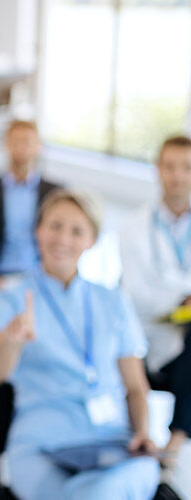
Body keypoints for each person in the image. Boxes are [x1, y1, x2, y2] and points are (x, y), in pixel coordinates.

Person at [0, 189, 160, 500]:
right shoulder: (11, 298)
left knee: (108, 490)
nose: (63, 239)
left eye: (77, 231)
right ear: (38, 230)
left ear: (92, 240)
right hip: (41, 445)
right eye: (54, 226)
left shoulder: (113, 301)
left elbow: (135, 387)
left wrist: (143, 432)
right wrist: (12, 339)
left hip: (112, 441)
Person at [120, 135, 191, 474]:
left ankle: (173, 444)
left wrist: (172, 292)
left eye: (187, 168)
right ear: (158, 171)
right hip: (145, 333)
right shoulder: (133, 226)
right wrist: (182, 297)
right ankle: (143, 436)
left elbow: (155, 286)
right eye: (170, 167)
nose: (178, 175)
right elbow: (135, 292)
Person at [0, 120, 60, 293]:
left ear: (38, 146)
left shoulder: (55, 194)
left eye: (28, 142)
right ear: (5, 145)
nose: (21, 147)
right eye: (15, 141)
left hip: (40, 280)